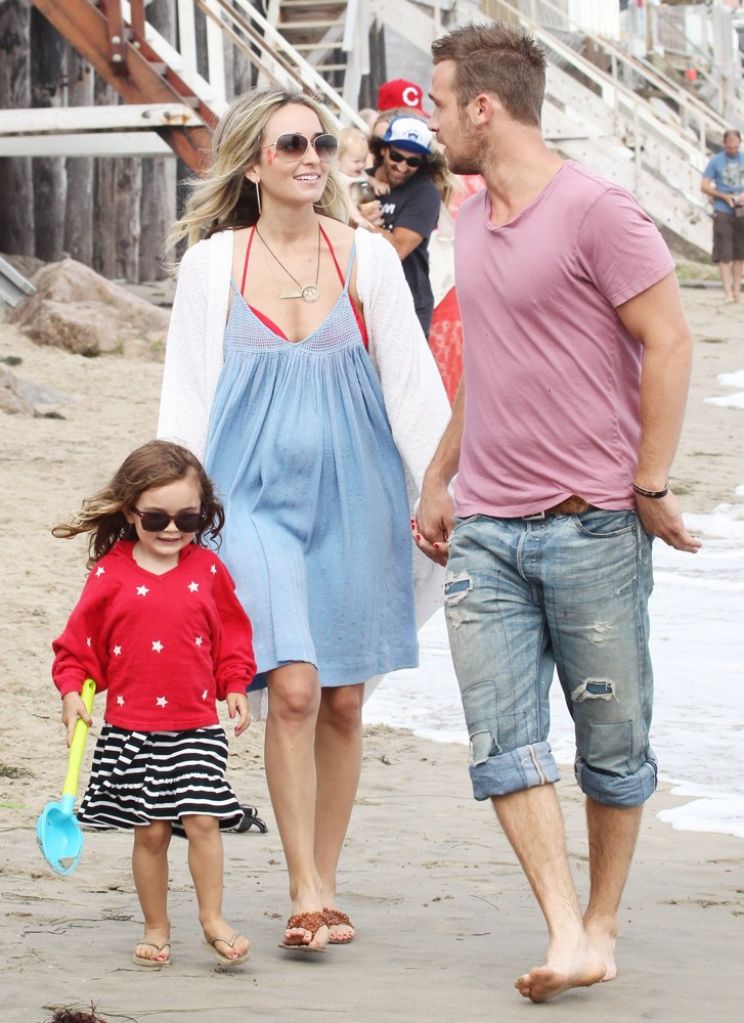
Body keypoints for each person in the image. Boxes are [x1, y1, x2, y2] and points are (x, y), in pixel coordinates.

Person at [415, 22, 700, 1003]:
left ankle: (603, 921)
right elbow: (489, 361)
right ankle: (565, 926)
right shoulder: (470, 219)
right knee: (502, 741)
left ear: (483, 107)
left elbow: (670, 341)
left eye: (439, 103)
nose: (432, 121)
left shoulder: (598, 213)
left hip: (593, 527)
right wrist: (440, 476)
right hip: (487, 533)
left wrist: (649, 484)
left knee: (611, 745)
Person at [157, 88, 450, 952]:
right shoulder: (213, 265)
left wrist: (441, 491)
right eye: (290, 144)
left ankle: (327, 872)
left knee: (344, 700)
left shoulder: (368, 258)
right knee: (291, 686)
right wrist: (169, 513)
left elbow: (411, 386)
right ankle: (304, 887)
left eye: (320, 141)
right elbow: (186, 397)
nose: (311, 156)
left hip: (358, 492)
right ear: (254, 163)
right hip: (246, 497)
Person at [51, 440, 255, 969]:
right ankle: (156, 926)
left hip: (196, 726)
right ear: (129, 511)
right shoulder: (111, 573)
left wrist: (235, 684)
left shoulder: (208, 570)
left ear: (203, 513)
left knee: (205, 821)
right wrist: (72, 692)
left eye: (187, 518)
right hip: (132, 729)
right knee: (153, 832)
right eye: (156, 518)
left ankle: (212, 919)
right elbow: (79, 647)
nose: (171, 529)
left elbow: (232, 636)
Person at [360, 115, 444, 335]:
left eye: (413, 162)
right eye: (396, 156)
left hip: (406, 307)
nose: (402, 166)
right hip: (359, 301)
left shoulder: (425, 193)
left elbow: (397, 249)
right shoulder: (357, 181)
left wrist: (358, 220)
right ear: (383, 150)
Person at [701, 128, 744, 303]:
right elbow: (704, 185)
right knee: (725, 253)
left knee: (739, 254)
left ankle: (737, 292)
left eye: (735, 147)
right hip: (723, 210)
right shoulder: (716, 161)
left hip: (741, 210)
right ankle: (727, 292)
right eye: (729, 147)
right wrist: (723, 196)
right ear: (724, 144)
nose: (733, 150)